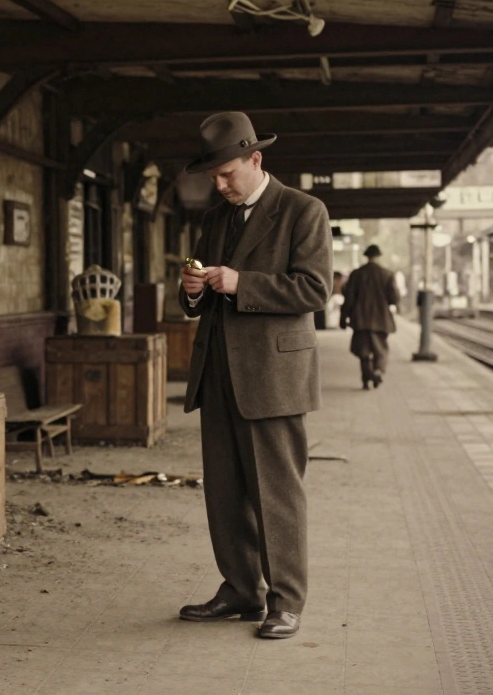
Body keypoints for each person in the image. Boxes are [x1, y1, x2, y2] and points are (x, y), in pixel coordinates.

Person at [177, 112, 333, 640]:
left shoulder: (303, 211)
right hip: (218, 373)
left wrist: (241, 282)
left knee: (277, 494)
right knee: (224, 491)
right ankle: (242, 590)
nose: (219, 186)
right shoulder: (215, 219)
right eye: (213, 177)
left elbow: (314, 290)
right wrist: (194, 290)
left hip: (273, 375)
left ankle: (286, 601)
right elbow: (202, 300)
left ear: (256, 159)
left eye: (227, 174)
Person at [340, 244, 400, 389]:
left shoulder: (356, 274)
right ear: (379, 256)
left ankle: (366, 379)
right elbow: (394, 298)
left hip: (360, 319)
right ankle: (378, 371)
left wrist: (343, 318)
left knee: (363, 351)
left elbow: (349, 299)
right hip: (381, 319)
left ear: (366, 256)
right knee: (381, 350)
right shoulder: (387, 274)